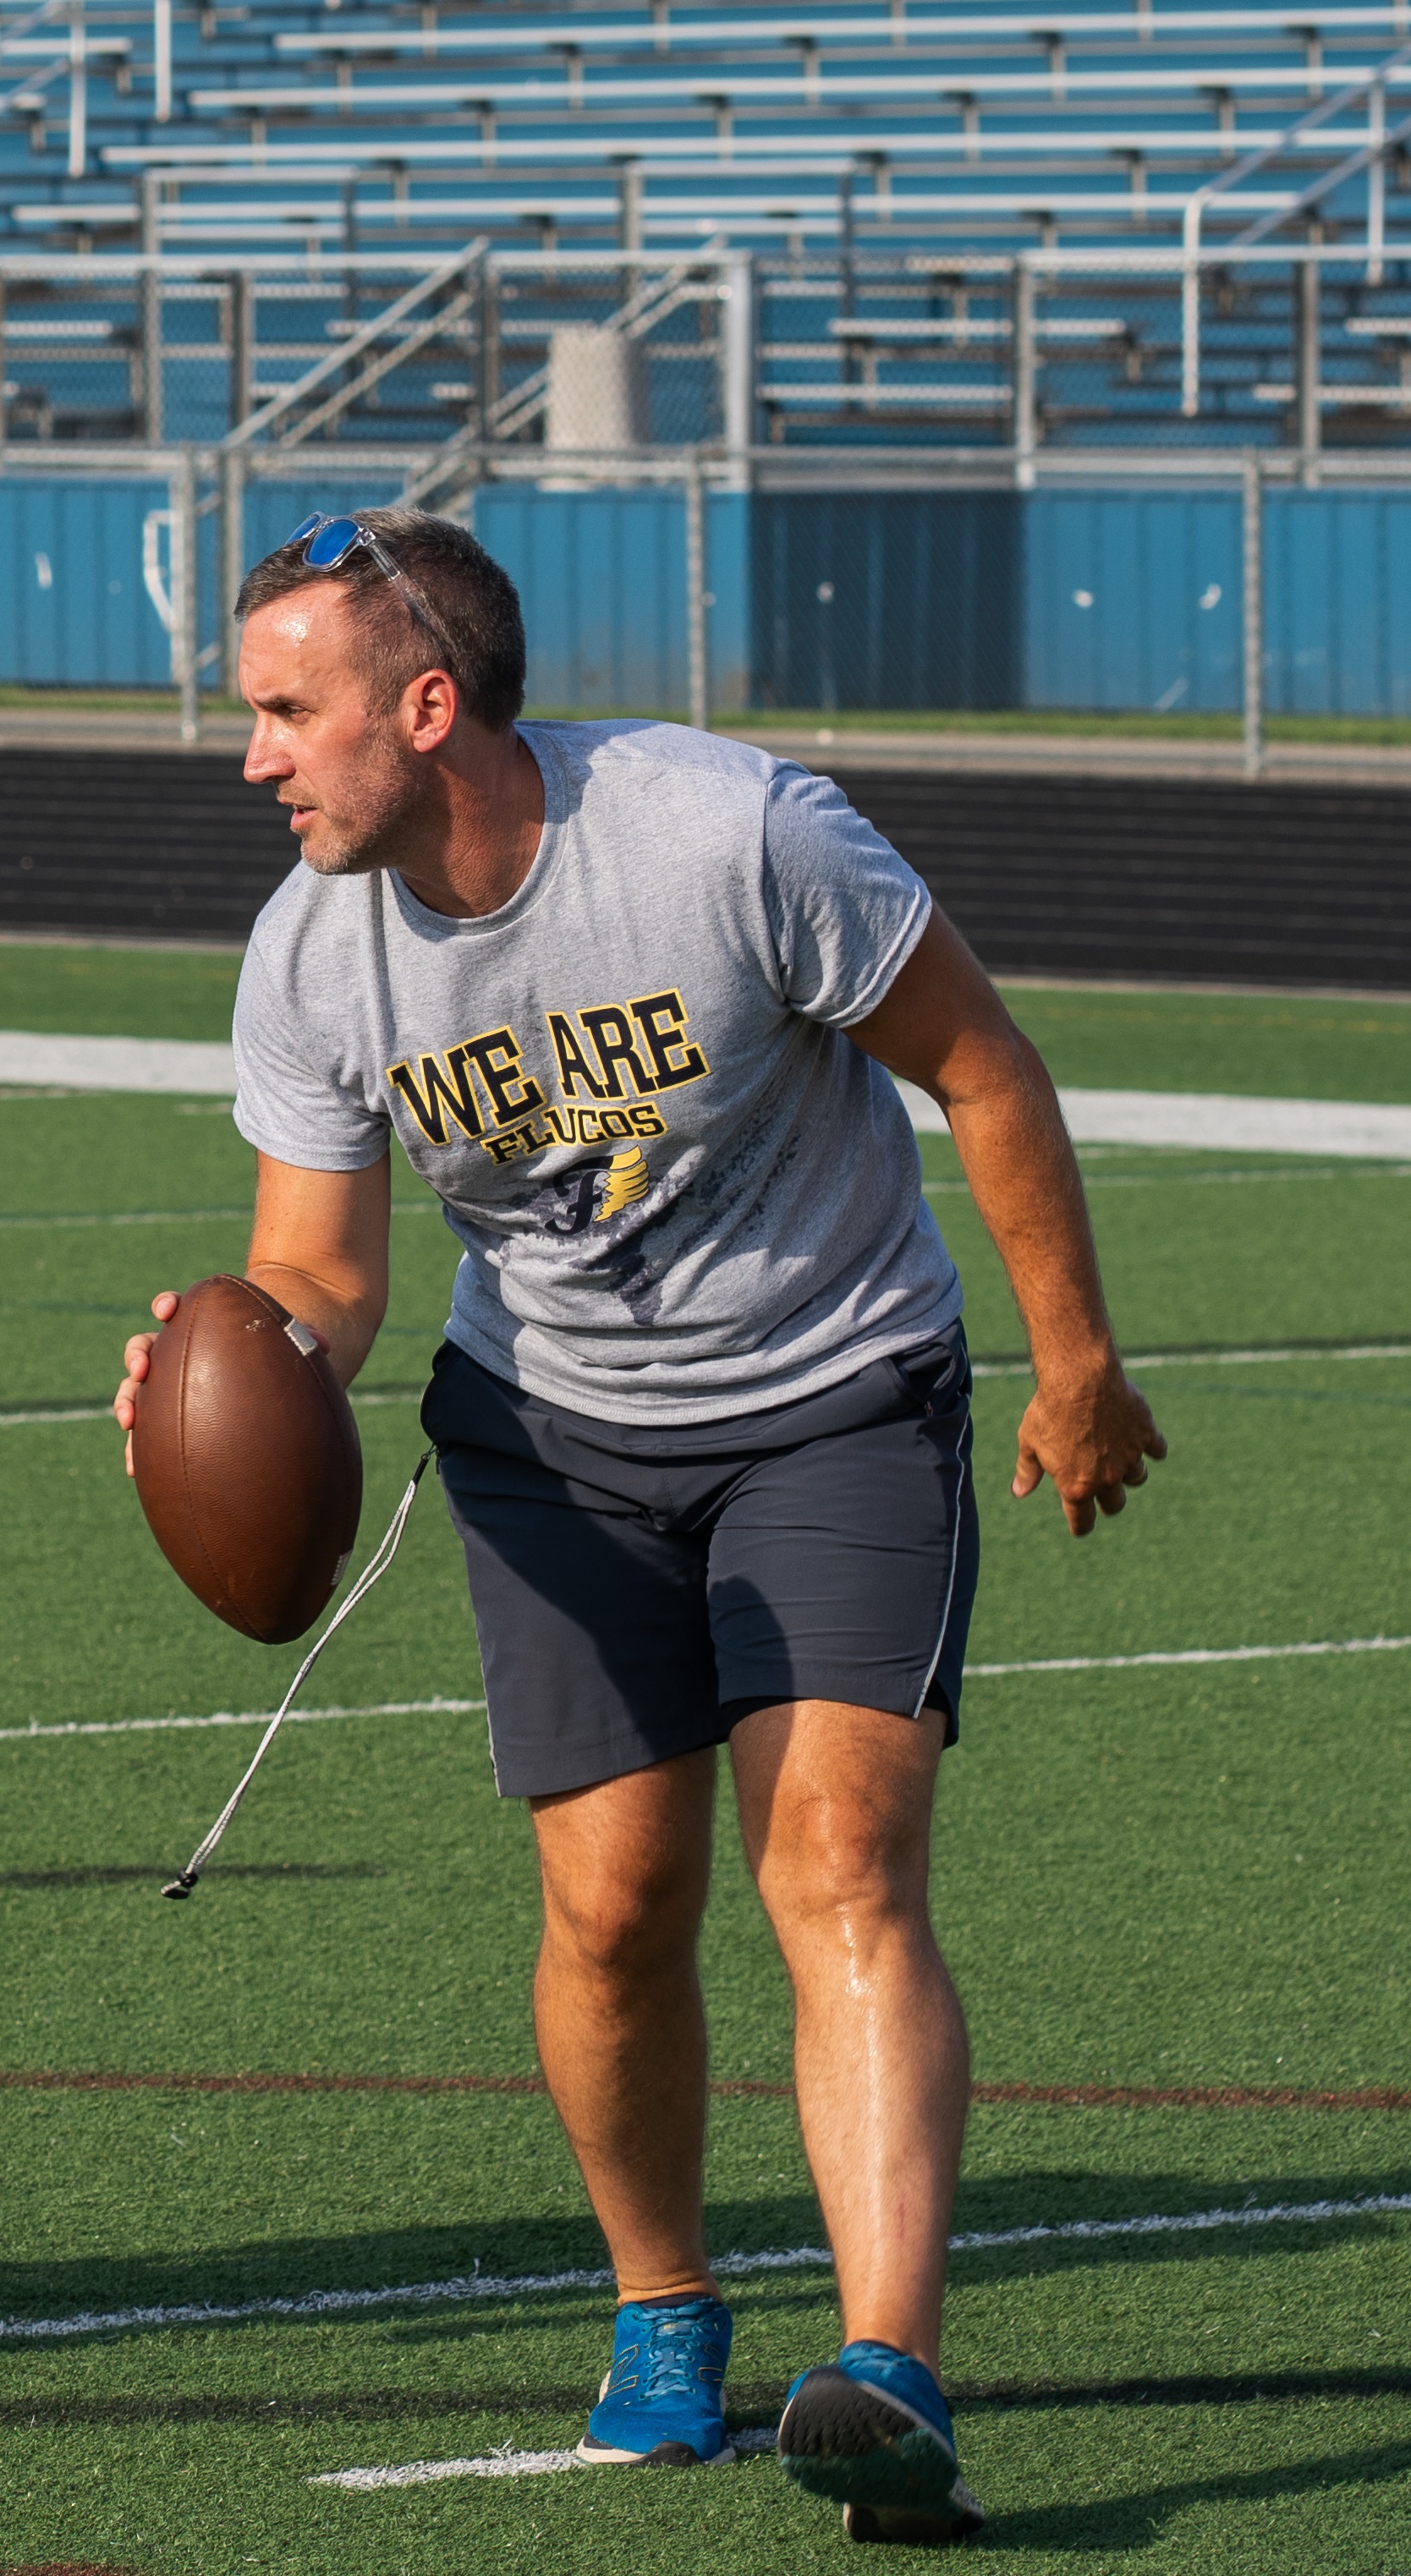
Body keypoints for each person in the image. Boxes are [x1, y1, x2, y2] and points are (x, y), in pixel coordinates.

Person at [113, 512, 1165, 2545]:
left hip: (833, 1396)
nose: (252, 757)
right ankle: (661, 2304)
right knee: (611, 1907)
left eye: (282, 711)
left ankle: (887, 2369)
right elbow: (316, 1273)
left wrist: (1073, 1360)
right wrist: (235, 1361)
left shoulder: (724, 831)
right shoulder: (306, 948)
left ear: (424, 708)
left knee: (837, 1860)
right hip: (548, 1436)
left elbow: (977, 1062)